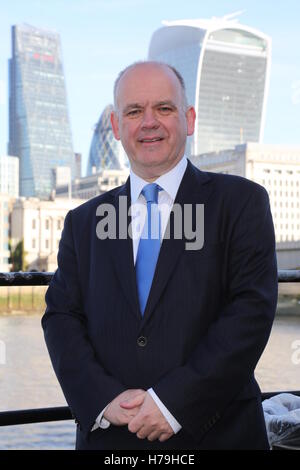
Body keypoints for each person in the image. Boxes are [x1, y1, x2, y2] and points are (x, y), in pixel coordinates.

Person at [42, 61, 278, 450]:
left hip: (220, 436)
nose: (149, 122)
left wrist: (174, 403)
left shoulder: (241, 203)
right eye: (134, 111)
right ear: (117, 128)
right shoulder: (83, 222)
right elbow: (61, 317)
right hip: (111, 441)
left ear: (189, 119)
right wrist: (102, 399)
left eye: (164, 109)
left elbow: (251, 311)